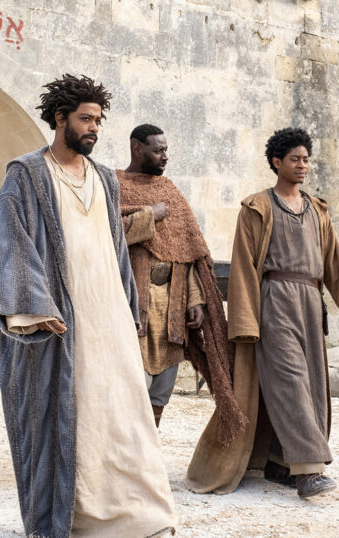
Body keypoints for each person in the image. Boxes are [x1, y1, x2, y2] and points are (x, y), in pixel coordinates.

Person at [0, 74, 175, 538]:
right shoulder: (27, 174)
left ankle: (140, 516)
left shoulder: (105, 178)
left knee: (120, 412)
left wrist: (128, 308)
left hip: (107, 311)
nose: (93, 128)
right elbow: (11, 242)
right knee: (65, 414)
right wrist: (34, 305)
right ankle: (74, 518)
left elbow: (115, 247)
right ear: (60, 118)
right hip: (58, 318)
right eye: (85, 119)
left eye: (98, 120)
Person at [186, 127, 339, 499]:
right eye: (295, 159)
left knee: (310, 385)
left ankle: (278, 463)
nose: (303, 165)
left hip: (309, 303)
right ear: (277, 162)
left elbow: (335, 261)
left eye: (306, 159)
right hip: (273, 303)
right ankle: (308, 470)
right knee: (288, 381)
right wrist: (244, 320)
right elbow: (242, 267)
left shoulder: (317, 210)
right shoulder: (257, 208)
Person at [117, 124, 241, 431]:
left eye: (166, 150)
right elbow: (106, 233)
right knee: (131, 386)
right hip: (133, 304)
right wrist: (148, 216)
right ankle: (128, 456)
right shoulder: (115, 185)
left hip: (172, 307)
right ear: (137, 149)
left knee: (161, 390)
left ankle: (147, 452)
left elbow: (188, 251)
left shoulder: (170, 190)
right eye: (158, 150)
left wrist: (195, 301)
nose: (165, 157)